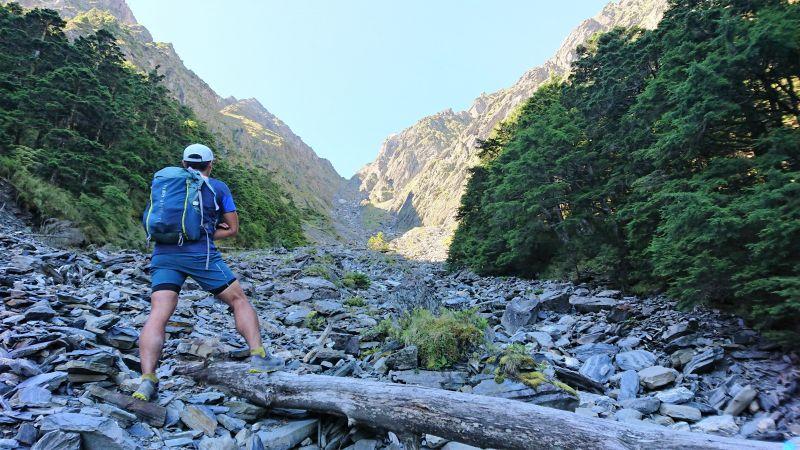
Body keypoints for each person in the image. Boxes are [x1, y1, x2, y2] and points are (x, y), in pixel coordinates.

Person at [133, 143, 284, 402]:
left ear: (184, 164)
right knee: (238, 300)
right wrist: (209, 229)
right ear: (210, 164)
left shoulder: (167, 185)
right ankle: (258, 355)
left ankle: (147, 379)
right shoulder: (217, 187)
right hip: (201, 256)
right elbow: (232, 229)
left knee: (158, 314)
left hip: (164, 254)